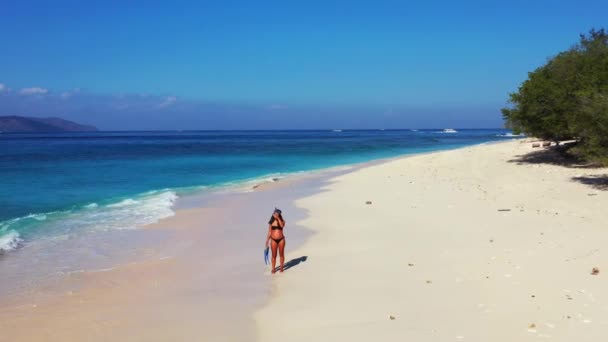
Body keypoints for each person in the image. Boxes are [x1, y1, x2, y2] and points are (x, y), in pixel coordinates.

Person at [265, 208, 286, 273]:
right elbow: (269, 232)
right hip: (273, 240)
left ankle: (281, 268)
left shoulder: (282, 221)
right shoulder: (271, 222)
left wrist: (278, 218)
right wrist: (267, 240)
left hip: (281, 239)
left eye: (277, 213)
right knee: (274, 255)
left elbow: (282, 226)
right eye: (274, 213)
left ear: (279, 214)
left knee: (281, 254)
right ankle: (273, 268)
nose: (275, 214)